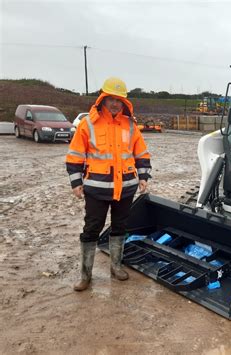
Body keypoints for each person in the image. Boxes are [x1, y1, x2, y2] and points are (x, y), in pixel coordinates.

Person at [65, 77, 152, 291]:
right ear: (103, 99)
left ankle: (116, 267)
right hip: (96, 189)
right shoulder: (88, 124)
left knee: (120, 226)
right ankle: (86, 275)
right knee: (91, 228)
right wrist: (76, 182)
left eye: (119, 100)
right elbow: (75, 155)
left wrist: (143, 177)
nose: (115, 104)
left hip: (126, 188)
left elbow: (141, 153)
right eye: (111, 99)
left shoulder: (130, 125)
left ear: (124, 103)